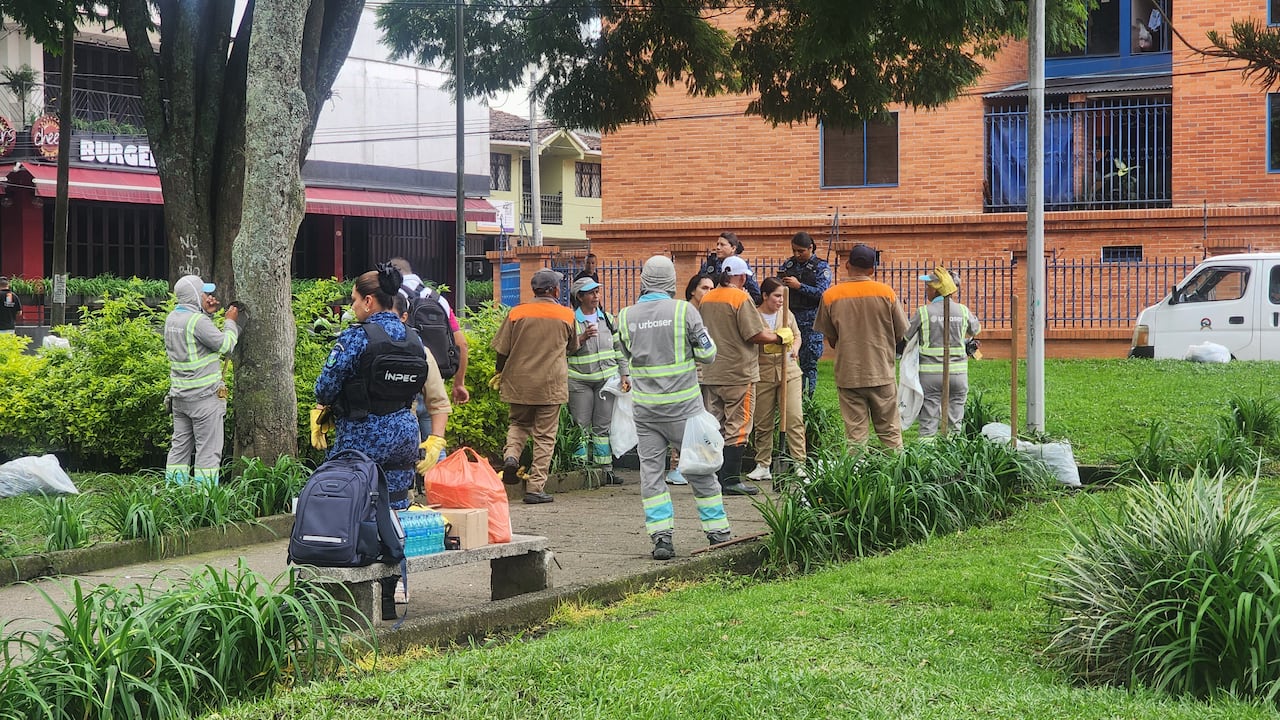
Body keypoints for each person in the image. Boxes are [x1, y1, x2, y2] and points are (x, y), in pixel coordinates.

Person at [315, 264, 446, 619]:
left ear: (370, 301)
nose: (352, 307)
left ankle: (356, 596)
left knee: (357, 510)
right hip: (404, 433)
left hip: (362, 436)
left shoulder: (357, 338)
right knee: (396, 510)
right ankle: (391, 595)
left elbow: (324, 388)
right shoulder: (414, 338)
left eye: (355, 300)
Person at [616, 255, 729, 560]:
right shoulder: (685, 312)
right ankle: (717, 532)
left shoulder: (625, 316)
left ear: (643, 280)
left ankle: (661, 538)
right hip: (684, 411)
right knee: (702, 469)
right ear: (671, 282)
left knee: (651, 475)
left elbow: (621, 357)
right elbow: (708, 355)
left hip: (646, 412)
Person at [699, 256, 788, 495]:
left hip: (711, 371)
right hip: (739, 373)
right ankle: (730, 480)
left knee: (714, 424)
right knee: (738, 425)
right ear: (739, 276)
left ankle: (714, 478)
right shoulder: (741, 298)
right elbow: (754, 334)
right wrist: (780, 337)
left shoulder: (706, 299)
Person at [492, 268, 579, 504]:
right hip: (551, 385)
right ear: (554, 290)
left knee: (519, 424)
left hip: (519, 382)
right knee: (544, 437)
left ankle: (511, 456)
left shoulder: (516, 313)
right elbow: (573, 347)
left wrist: (499, 373)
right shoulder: (567, 315)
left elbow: (502, 350)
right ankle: (535, 488)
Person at [814, 244, 909, 450]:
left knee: (855, 436)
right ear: (872, 270)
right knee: (890, 431)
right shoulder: (886, 293)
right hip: (881, 371)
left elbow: (831, 338)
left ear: (847, 265)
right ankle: (898, 476)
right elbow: (901, 334)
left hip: (849, 374)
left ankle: (857, 477)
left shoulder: (831, 296)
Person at [164, 274, 239, 485]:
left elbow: (198, 342)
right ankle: (205, 502)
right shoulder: (197, 321)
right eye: (205, 293)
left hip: (180, 397)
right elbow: (225, 345)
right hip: (204, 398)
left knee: (179, 449)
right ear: (196, 295)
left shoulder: (172, 318)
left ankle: (174, 494)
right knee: (208, 452)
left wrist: (207, 314)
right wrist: (230, 323)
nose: (210, 296)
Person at [567, 276, 629, 485]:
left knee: (603, 427)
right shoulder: (571, 320)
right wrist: (582, 338)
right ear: (580, 297)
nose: (596, 296)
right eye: (591, 293)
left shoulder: (608, 319)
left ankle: (605, 471)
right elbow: (564, 350)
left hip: (606, 381)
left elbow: (619, 348)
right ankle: (581, 471)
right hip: (579, 380)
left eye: (597, 292)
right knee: (581, 426)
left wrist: (624, 373)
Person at [906, 270, 981, 438]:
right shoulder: (962, 310)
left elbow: (905, 335)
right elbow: (975, 329)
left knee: (928, 421)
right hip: (958, 374)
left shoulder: (923, 312)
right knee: (955, 422)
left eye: (928, 286)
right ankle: (953, 456)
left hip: (930, 375)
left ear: (937, 289)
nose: (926, 289)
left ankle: (926, 458)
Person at [388, 257, 470, 405]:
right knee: (435, 427)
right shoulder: (438, 299)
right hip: (434, 380)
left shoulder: (391, 297)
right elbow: (461, 344)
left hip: (401, 382)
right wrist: (459, 384)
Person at [747, 278, 805, 483]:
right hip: (763, 372)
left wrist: (795, 349)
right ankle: (763, 463)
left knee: (794, 417)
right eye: (777, 296)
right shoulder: (753, 315)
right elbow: (751, 337)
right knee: (763, 421)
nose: (781, 300)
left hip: (789, 371)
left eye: (782, 296)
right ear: (765, 296)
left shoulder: (787, 314)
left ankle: (799, 462)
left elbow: (797, 336)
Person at [664, 273, 716, 487]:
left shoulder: (708, 311)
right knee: (682, 422)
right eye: (705, 288)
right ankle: (675, 466)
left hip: (705, 375)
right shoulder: (685, 312)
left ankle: (695, 463)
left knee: (700, 421)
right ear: (693, 290)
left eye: (712, 288)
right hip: (685, 377)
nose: (709, 293)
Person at [777, 231, 831, 396]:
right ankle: (791, 394)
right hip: (791, 318)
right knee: (787, 359)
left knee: (809, 361)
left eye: (801, 251)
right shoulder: (788, 265)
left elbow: (822, 292)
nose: (797, 254)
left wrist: (799, 286)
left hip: (811, 320)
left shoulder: (820, 267)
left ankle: (809, 396)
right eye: (794, 250)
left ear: (811, 248)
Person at [700, 232, 761, 304]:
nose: (718, 248)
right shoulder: (710, 264)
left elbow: (756, 295)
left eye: (722, 245)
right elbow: (698, 284)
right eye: (717, 244)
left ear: (733, 248)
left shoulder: (742, 266)